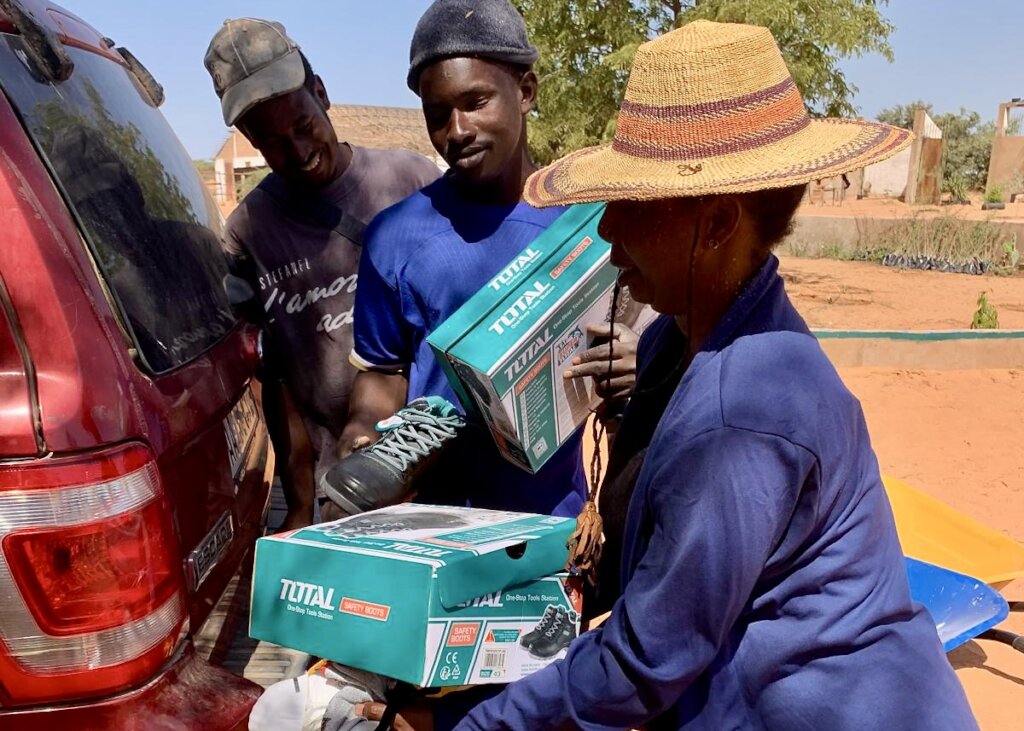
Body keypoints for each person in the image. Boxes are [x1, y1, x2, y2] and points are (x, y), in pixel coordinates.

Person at [452, 20, 979, 731]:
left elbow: (644, 661)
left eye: (632, 205)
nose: (605, 230)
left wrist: (476, 723)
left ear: (719, 223)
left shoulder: (743, 410)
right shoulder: (678, 341)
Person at [340, 0, 636, 520]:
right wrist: (364, 430)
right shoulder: (396, 236)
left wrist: (639, 365)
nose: (456, 130)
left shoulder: (593, 222)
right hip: (431, 530)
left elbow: (655, 340)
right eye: (437, 114)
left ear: (525, 92)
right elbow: (383, 372)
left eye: (475, 102)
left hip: (552, 530)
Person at [203, 18, 440, 531]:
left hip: (446, 478)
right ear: (248, 139)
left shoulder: (412, 181)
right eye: (273, 142)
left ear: (322, 93)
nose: (298, 152)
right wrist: (300, 506)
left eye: (303, 126)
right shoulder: (249, 233)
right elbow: (278, 379)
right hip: (347, 495)